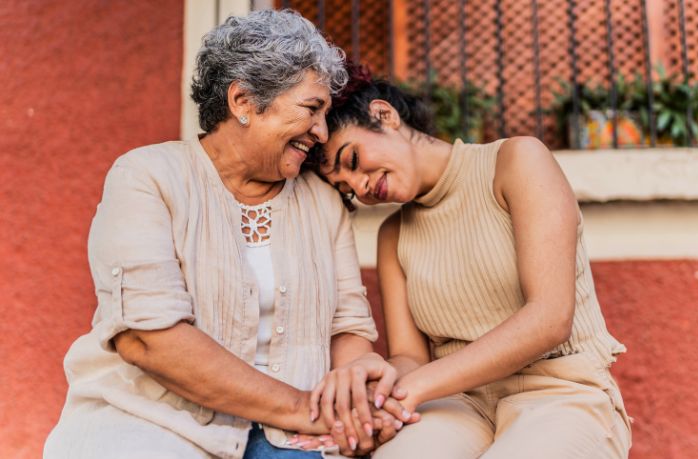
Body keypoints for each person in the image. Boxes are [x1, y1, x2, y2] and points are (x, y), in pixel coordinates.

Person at [44, 11, 410, 459]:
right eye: (311, 109)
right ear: (243, 101)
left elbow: (347, 328)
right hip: (156, 423)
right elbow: (148, 338)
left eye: (326, 114)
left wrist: (355, 390)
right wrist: (300, 408)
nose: (320, 132)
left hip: (295, 435)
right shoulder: (147, 177)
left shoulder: (320, 200)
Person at [311, 65, 633, 458]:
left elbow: (550, 319)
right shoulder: (393, 236)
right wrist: (380, 392)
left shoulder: (516, 161)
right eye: (345, 187)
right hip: (458, 403)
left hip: (562, 393)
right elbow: (412, 358)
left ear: (384, 115)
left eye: (354, 159)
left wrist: (414, 388)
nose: (360, 186)